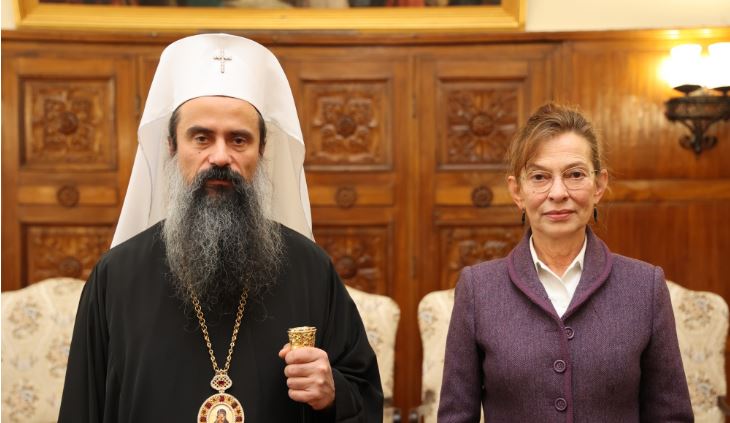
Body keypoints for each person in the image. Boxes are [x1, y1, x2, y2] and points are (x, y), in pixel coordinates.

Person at [58, 33, 383, 422]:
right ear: (172, 147)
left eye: (239, 140)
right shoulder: (116, 276)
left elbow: (364, 397)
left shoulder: (310, 270)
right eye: (201, 138)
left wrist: (332, 393)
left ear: (261, 151)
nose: (220, 156)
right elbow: (82, 408)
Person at [438, 103, 693, 422]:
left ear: (599, 185)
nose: (558, 193)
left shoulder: (645, 286)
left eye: (575, 174)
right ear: (517, 191)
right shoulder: (478, 289)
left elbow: (671, 416)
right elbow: (455, 416)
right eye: (540, 177)